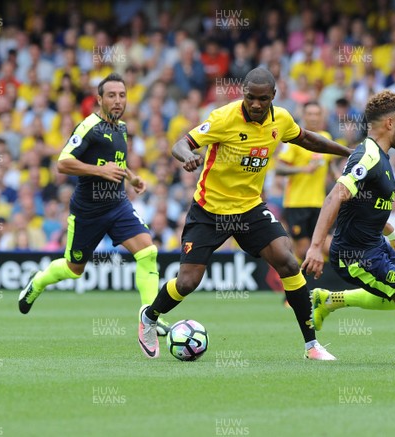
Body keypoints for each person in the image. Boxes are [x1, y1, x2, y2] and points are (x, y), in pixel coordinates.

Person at [138, 68, 352, 360]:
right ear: (243, 93)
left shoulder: (282, 120)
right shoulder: (223, 118)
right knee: (187, 282)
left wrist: (348, 151)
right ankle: (149, 317)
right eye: (250, 97)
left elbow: (307, 139)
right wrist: (189, 158)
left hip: (250, 208)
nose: (255, 104)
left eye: (262, 99)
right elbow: (181, 144)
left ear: (273, 97)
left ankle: (311, 346)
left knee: (288, 262)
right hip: (209, 210)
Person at [302, 90, 395, 364]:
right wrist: (314, 247)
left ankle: (328, 300)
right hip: (355, 254)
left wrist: (393, 234)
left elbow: (370, 206)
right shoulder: (367, 157)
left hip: (375, 244)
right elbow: (335, 196)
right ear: (389, 124)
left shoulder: (380, 157)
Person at [18, 73, 169, 338]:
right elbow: (63, 163)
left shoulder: (121, 128)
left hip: (118, 204)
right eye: (111, 95)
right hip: (88, 211)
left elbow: (115, 162)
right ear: (99, 100)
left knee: (148, 252)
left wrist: (131, 177)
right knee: (74, 269)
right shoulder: (89, 126)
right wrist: (100, 171)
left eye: (122, 95)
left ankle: (150, 318)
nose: (118, 101)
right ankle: (38, 282)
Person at [276, 101, 333, 261]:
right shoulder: (294, 139)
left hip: (320, 204)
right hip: (296, 204)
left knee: (327, 246)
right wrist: (303, 169)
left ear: (322, 116)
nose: (314, 118)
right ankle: (300, 283)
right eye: (310, 114)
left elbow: (329, 164)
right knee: (303, 251)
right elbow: (279, 168)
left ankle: (328, 283)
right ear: (304, 116)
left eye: (317, 114)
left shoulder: (326, 138)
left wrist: (339, 178)